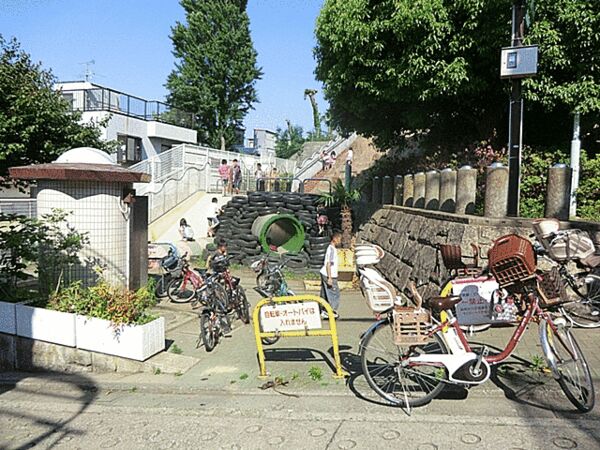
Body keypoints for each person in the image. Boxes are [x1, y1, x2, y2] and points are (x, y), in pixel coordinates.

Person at [320, 231, 341, 319]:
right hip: (329, 274)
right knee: (334, 293)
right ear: (335, 239)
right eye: (339, 239)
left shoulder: (331, 249)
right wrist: (330, 278)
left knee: (325, 293)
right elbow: (328, 264)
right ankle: (331, 311)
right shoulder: (331, 250)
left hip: (325, 273)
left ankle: (323, 310)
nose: (340, 241)